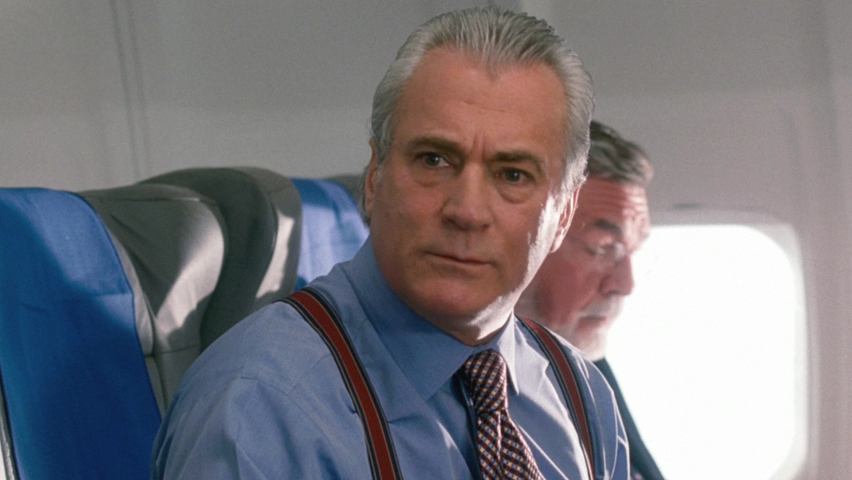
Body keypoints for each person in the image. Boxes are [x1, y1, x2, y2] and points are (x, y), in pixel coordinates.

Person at [152, 8, 628, 479]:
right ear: (375, 176)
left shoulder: (580, 397)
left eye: (513, 175)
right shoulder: (261, 408)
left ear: (564, 213)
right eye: (435, 160)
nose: (466, 211)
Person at [516, 120, 663, 479]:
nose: (624, 285)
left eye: (632, 252)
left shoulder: (587, 375)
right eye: (602, 248)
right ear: (526, 239)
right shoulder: (484, 393)